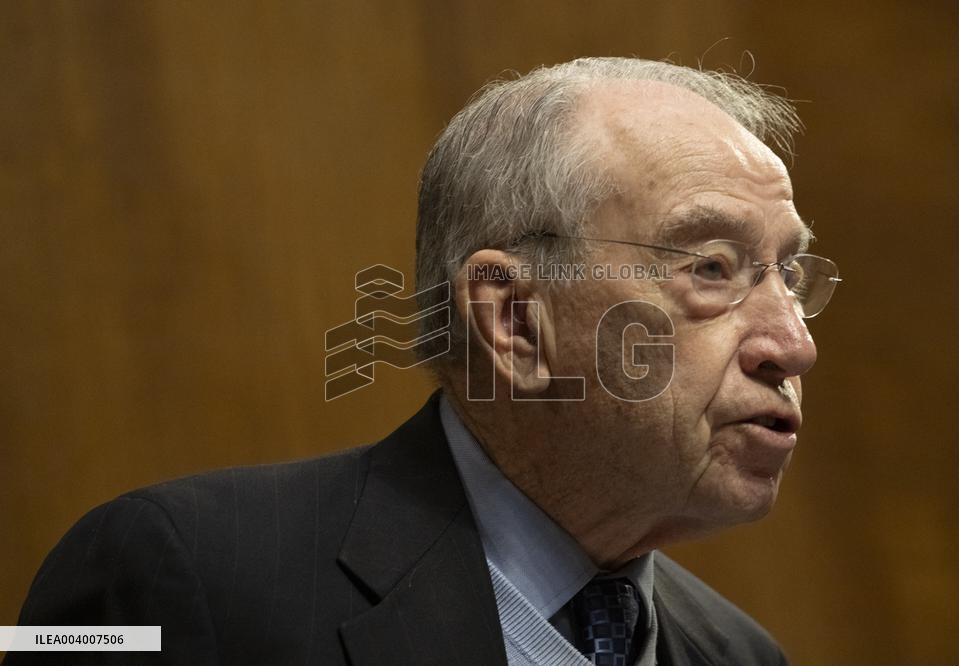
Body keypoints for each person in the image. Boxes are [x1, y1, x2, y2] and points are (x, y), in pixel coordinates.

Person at [7, 57, 839, 665]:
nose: (793, 345)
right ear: (515, 321)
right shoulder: (168, 572)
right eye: (711, 269)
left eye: (789, 275)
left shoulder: (738, 653)